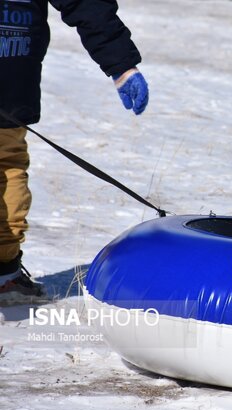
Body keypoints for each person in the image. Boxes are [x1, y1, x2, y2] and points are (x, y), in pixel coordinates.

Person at [0, 0, 149, 303]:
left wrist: (120, 62)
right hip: (12, 70)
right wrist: (121, 64)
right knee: (8, 162)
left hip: (11, 75)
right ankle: (4, 274)